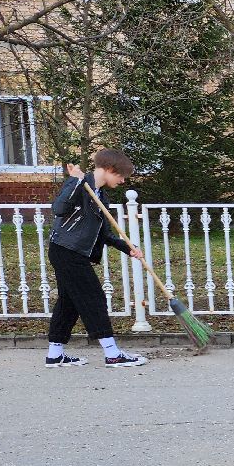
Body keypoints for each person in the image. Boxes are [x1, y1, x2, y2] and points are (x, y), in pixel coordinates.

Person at [45, 150, 147, 369]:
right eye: (120, 176)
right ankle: (112, 354)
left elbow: (104, 234)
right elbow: (59, 209)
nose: (122, 181)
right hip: (66, 250)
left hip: (72, 251)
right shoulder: (80, 184)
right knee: (93, 298)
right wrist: (76, 181)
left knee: (68, 303)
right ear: (109, 169)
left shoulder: (101, 196)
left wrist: (128, 248)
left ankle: (55, 355)